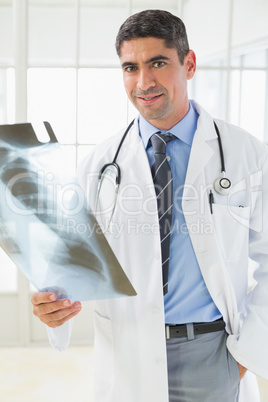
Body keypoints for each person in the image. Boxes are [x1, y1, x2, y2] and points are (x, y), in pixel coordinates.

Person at [31, 9, 268, 402]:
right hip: (128, 354)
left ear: (188, 64)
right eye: (130, 67)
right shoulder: (98, 165)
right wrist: (51, 304)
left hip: (213, 354)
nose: (144, 82)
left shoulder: (246, 154)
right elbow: (69, 268)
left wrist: (244, 357)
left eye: (158, 63)